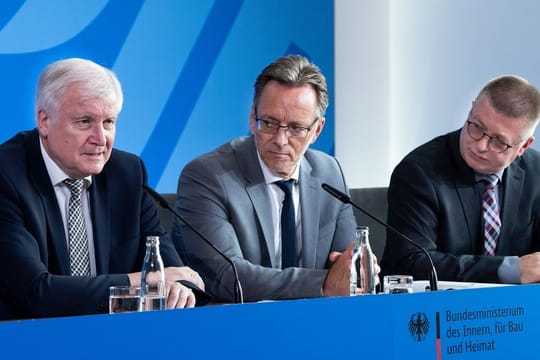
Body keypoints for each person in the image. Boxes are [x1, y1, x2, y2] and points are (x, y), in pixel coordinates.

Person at [0, 58, 205, 320]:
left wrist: (181, 288)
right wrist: (140, 281)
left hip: (118, 339)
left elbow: (171, 268)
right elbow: (36, 292)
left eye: (108, 122)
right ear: (44, 121)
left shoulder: (127, 172)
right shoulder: (7, 175)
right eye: (85, 122)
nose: (100, 139)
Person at [172, 54, 379, 302]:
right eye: (269, 123)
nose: (280, 140)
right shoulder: (208, 176)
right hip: (237, 329)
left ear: (317, 130)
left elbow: (346, 268)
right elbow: (229, 278)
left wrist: (359, 271)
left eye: (296, 128)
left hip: (316, 326)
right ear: (252, 117)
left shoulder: (329, 173)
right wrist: (323, 284)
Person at [381, 75, 540, 285]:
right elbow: (413, 262)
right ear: (471, 110)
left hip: (515, 312)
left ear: (523, 146)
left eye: (499, 141)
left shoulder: (536, 173)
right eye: (476, 126)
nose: (481, 145)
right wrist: (510, 270)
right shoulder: (419, 171)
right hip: (434, 309)